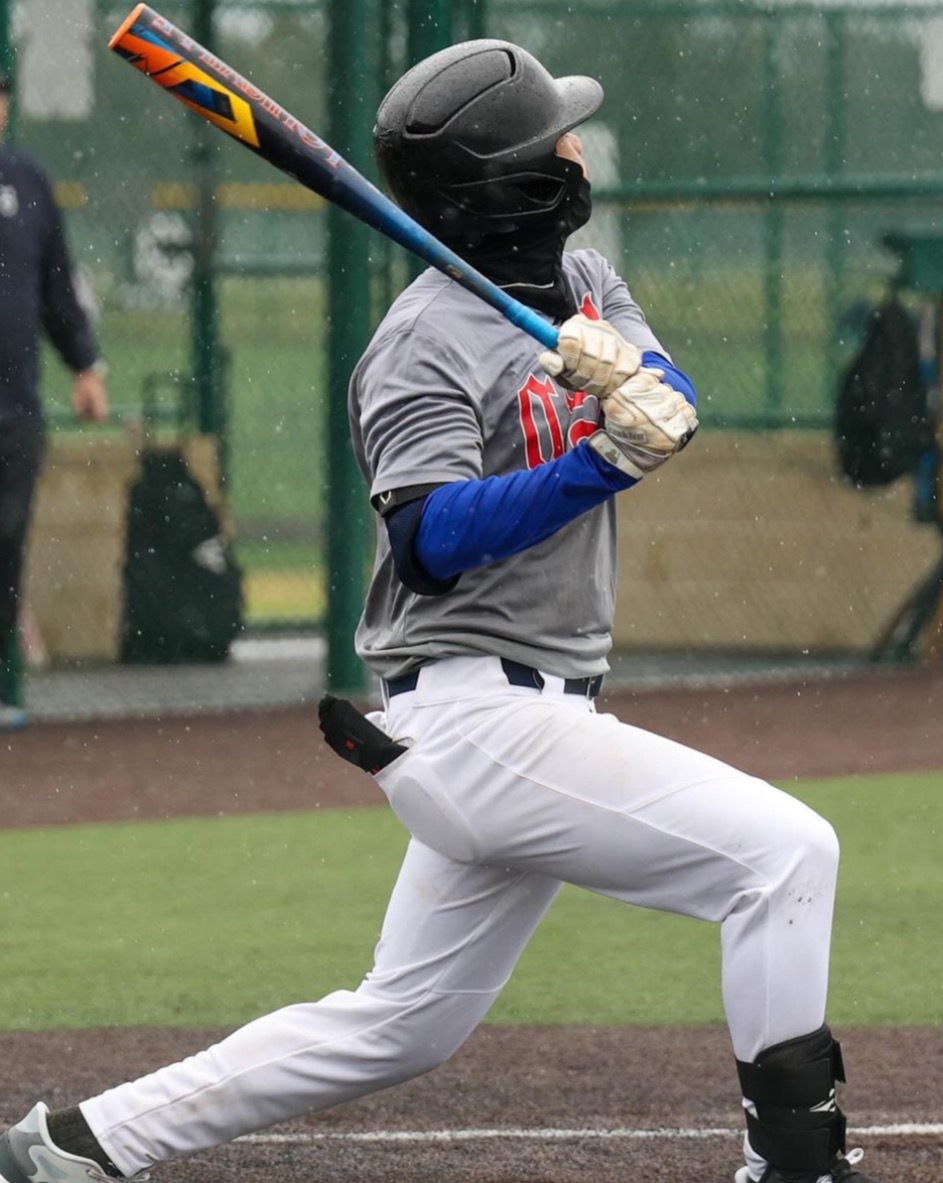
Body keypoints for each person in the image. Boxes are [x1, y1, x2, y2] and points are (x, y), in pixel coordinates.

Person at [0, 41, 881, 1183]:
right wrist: (599, 462)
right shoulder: (418, 345)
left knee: (401, 1023)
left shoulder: (584, 281)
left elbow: (669, 400)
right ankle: (796, 1165)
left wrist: (634, 382)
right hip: (480, 719)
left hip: (535, 718)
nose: (576, 149)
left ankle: (79, 1144)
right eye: (557, 137)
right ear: (515, 179)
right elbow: (429, 541)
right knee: (784, 855)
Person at [0, 70, 108, 728]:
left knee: (6, 541)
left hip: (14, 410)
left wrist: (85, 364)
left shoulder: (28, 181)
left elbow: (57, 288)